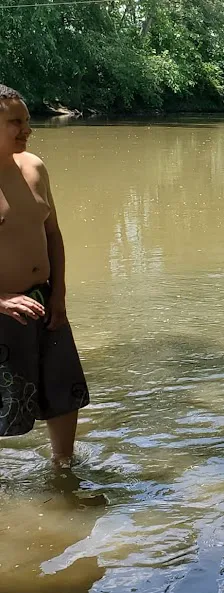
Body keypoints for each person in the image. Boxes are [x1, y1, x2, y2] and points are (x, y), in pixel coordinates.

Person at [0, 84, 89, 465]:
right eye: (15, 122)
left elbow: (52, 233)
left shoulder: (34, 167)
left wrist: (59, 294)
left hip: (43, 300)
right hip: (3, 309)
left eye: (27, 121)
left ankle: (63, 468)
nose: (27, 129)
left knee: (63, 393)